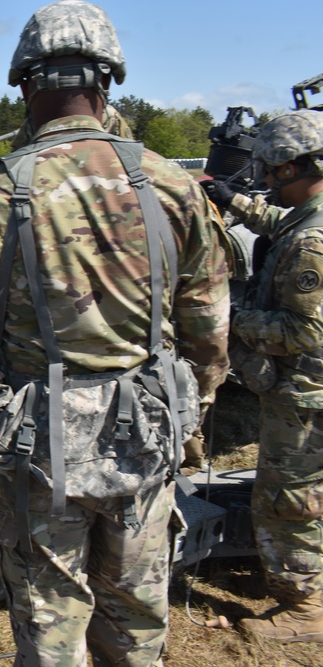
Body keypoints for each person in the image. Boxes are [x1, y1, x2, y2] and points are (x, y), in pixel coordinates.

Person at [0, 2, 231, 664]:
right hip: (144, 427)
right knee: (137, 608)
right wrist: (193, 422)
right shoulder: (171, 184)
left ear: (25, 84)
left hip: (38, 441)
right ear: (109, 80)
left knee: (50, 617)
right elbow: (209, 332)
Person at [218, 110, 323, 643]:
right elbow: (273, 223)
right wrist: (226, 198)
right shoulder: (304, 220)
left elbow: (305, 332)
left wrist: (231, 315)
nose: (264, 180)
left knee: (288, 498)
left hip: (306, 393)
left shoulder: (312, 242)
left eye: (272, 171)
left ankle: (304, 609)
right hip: (306, 390)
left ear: (300, 167)